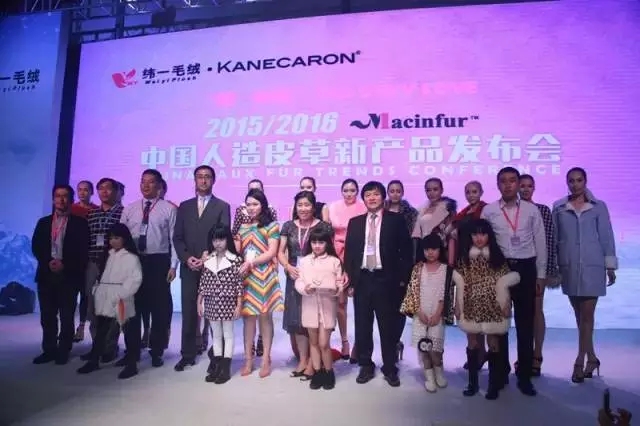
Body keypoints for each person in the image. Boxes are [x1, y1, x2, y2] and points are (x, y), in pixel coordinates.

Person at [481, 167, 546, 396]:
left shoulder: (531, 210)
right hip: (499, 270)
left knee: (525, 325)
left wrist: (540, 275)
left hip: (526, 269)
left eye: (512, 181)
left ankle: (524, 377)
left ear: (518, 184)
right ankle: (498, 376)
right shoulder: (489, 211)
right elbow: (483, 244)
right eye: (503, 181)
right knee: (498, 326)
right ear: (497, 185)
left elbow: (540, 243)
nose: (508, 185)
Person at [343, 181, 412, 387]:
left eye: (375, 194)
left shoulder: (396, 220)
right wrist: (351, 281)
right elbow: (350, 254)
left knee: (388, 326)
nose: (372, 198)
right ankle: (365, 364)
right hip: (363, 280)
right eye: (368, 195)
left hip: (387, 280)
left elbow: (406, 252)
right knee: (362, 325)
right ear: (363, 199)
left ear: (383, 197)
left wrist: (401, 280)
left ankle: (390, 367)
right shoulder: (355, 222)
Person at [552, 167, 617, 383]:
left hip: (593, 265)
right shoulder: (559, 207)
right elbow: (555, 239)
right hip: (569, 266)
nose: (575, 184)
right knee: (580, 317)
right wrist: (554, 266)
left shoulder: (598, 206)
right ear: (567, 183)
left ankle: (579, 361)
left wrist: (610, 265)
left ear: (585, 181)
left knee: (587, 315)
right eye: (571, 181)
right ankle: (593, 358)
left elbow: (606, 236)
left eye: (579, 180)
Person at [173, 165, 231, 372]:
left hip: (213, 267)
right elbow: (177, 237)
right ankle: (187, 354)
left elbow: (223, 235)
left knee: (216, 313)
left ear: (213, 180)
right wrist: (187, 258)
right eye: (200, 177)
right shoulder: (184, 206)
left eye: (207, 177)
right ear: (195, 180)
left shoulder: (222, 206)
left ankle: (217, 355)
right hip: (189, 266)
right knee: (189, 311)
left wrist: (209, 255)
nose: (203, 180)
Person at [454, 219, 520, 400]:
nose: (479, 238)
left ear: (489, 235)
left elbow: (505, 284)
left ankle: (493, 385)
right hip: (471, 304)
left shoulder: (497, 258)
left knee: (493, 343)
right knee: (472, 343)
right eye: (475, 234)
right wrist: (457, 305)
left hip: (492, 305)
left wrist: (506, 304)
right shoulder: (464, 258)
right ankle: (472, 383)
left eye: (483, 234)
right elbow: (460, 284)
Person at [119, 169, 178, 368]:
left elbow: (174, 240)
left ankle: (157, 351)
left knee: (159, 310)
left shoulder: (168, 209)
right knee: (132, 309)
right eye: (143, 181)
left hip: (158, 261)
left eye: (151, 182)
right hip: (133, 261)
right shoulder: (130, 209)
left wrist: (173, 265)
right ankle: (132, 351)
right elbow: (119, 239)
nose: (145, 185)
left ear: (159, 186)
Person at [31, 184, 89, 365]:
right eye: (58, 196)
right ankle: (49, 349)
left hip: (69, 275)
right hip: (46, 274)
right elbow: (36, 246)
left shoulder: (80, 223)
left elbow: (83, 250)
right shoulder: (43, 222)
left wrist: (65, 264)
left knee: (66, 315)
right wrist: (48, 261)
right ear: (53, 199)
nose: (61, 200)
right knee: (47, 316)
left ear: (71, 200)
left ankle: (64, 349)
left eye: (65, 196)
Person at [77, 223, 142, 379]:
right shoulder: (108, 255)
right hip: (106, 296)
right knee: (102, 330)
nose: (113, 241)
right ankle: (94, 360)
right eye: (111, 238)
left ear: (124, 239)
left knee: (129, 332)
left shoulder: (132, 257)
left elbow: (135, 279)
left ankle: (131, 364)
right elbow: (102, 275)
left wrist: (123, 293)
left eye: (117, 238)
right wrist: (99, 290)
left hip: (123, 298)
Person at [279, 191, 330, 380]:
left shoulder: (323, 226)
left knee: (313, 319)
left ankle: (312, 363)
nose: (303, 208)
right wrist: (287, 266)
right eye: (299, 205)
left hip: (315, 278)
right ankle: (302, 359)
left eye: (307, 205)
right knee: (296, 320)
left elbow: (329, 250)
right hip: (294, 276)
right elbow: (280, 251)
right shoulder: (288, 226)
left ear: (314, 207)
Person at [401, 233, 462, 393]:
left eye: (434, 249)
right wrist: (419, 312)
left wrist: (437, 314)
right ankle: (429, 377)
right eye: (427, 249)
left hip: (437, 314)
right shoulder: (418, 268)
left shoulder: (445, 270)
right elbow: (413, 291)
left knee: (435, 349)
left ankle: (439, 372)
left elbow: (445, 294)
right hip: (420, 313)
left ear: (440, 250)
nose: (430, 252)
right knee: (424, 348)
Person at [234, 188, 283, 378]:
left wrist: (251, 262)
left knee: (265, 318)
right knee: (248, 320)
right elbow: (237, 251)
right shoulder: (242, 228)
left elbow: (271, 252)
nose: (251, 207)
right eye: (248, 204)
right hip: (247, 277)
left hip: (264, 275)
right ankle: (248, 359)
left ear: (263, 205)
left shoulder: (272, 226)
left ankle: (265, 360)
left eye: (255, 204)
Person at [295, 225, 345, 390]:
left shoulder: (334, 261)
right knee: (314, 342)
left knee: (324, 343)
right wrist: (305, 289)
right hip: (309, 305)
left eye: (321, 242)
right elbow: (299, 282)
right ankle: (317, 373)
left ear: (327, 243)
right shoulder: (304, 261)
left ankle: (329, 372)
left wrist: (336, 289)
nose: (317, 246)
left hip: (327, 306)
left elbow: (339, 283)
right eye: (314, 242)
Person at [517, 174, 555, 377]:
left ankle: (537, 355)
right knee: (519, 314)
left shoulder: (543, 210)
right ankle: (523, 355)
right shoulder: (511, 210)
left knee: (536, 310)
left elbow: (549, 242)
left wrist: (545, 272)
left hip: (536, 268)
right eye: (522, 186)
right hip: (515, 268)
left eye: (529, 186)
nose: (525, 189)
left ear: (534, 188)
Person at [197, 225, 243, 384]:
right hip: (211, 302)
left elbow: (239, 285)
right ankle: (217, 365)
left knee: (228, 335)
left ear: (227, 240)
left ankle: (225, 368)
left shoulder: (235, 260)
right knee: (216, 335)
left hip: (228, 302)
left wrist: (239, 304)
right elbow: (203, 283)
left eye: (221, 239)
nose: (218, 243)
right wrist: (199, 302)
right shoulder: (208, 260)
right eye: (215, 240)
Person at [327, 178, 367, 362]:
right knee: (340, 303)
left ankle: (360, 344)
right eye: (346, 190)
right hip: (336, 255)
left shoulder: (363, 207)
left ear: (357, 192)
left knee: (361, 303)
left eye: (352, 190)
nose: (349, 194)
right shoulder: (333, 207)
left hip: (358, 256)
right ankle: (344, 342)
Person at [384, 179, 418, 361]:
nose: (395, 194)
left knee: (399, 307)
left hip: (403, 263)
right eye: (392, 190)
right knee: (385, 308)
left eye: (398, 190)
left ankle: (396, 342)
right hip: (383, 264)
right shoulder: (381, 210)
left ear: (403, 192)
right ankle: (389, 342)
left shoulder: (411, 213)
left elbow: (413, 241)